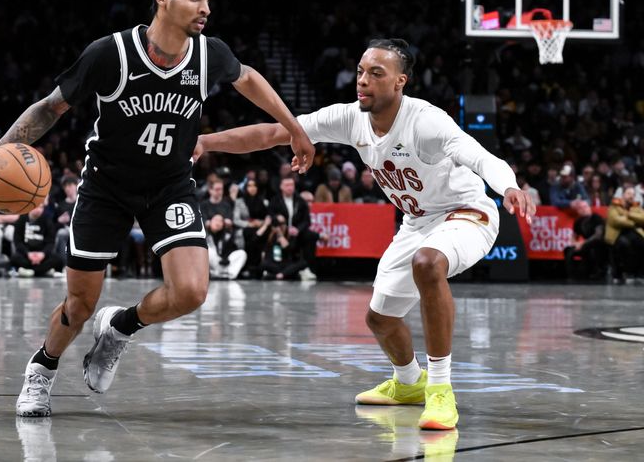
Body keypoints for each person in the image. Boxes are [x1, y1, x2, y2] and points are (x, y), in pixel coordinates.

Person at [0, 0, 314, 418]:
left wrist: (294, 128)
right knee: (80, 303)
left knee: (191, 291)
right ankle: (42, 369)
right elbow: (50, 109)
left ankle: (120, 327)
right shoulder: (110, 53)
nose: (206, 7)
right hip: (107, 187)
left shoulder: (208, 54)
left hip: (169, 185)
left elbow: (248, 78)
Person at [196, 38, 535, 430]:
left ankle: (440, 391)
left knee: (428, 263)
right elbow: (274, 132)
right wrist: (206, 142)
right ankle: (409, 383)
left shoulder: (425, 120)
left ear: (399, 82)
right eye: (360, 71)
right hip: (417, 221)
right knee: (380, 319)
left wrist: (507, 184)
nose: (363, 81)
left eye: (376, 73)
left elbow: (476, 154)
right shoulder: (350, 117)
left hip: (467, 213)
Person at [605, 187, 644, 283]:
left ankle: (639, 273)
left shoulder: (636, 207)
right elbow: (616, 220)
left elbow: (642, 218)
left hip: (633, 232)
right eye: (628, 194)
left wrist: (628, 215)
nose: (631, 196)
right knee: (625, 245)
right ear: (623, 195)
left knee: (641, 243)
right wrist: (634, 222)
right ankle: (625, 273)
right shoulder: (614, 206)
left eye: (633, 194)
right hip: (617, 233)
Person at [11, 203, 62, 277]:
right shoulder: (21, 219)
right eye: (37, 207)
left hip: (42, 255)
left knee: (58, 259)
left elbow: (50, 242)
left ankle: (29, 271)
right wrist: (28, 254)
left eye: (41, 208)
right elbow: (18, 242)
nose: (39, 210)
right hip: (27, 255)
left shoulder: (47, 220)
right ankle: (43, 271)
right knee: (14, 258)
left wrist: (42, 254)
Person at [563, 200, 606, 280]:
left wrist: (582, 243)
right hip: (585, 245)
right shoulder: (578, 221)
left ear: (589, 208)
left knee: (593, 249)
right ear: (578, 211)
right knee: (568, 250)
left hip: (597, 244)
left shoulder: (596, 218)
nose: (583, 209)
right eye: (580, 208)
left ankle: (597, 273)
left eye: (585, 207)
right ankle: (571, 276)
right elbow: (574, 235)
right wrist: (574, 243)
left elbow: (598, 236)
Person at [206, 214, 247, 279]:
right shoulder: (205, 234)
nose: (218, 223)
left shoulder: (227, 236)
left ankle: (229, 275)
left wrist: (225, 258)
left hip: (224, 263)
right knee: (207, 250)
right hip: (212, 264)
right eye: (216, 220)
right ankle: (212, 273)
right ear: (210, 222)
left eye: (221, 221)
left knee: (242, 253)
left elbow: (233, 249)